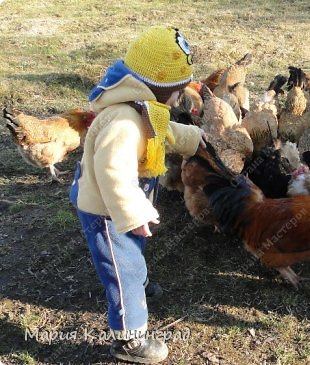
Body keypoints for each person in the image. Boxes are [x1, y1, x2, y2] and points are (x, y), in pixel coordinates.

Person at [69, 26, 205, 364]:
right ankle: (129, 340)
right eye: (178, 90)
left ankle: (136, 282)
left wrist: (190, 137)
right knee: (122, 268)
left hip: (125, 205)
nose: (180, 98)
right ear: (160, 87)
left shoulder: (141, 106)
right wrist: (133, 213)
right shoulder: (123, 123)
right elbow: (113, 173)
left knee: (134, 254)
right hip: (108, 212)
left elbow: (160, 129)